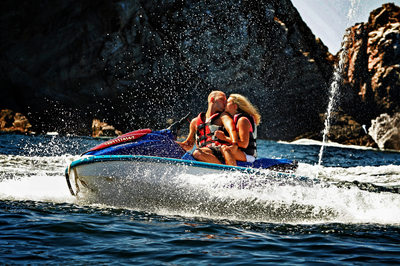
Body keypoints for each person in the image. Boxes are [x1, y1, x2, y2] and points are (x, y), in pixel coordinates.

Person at [177, 90, 238, 164]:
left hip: (220, 151)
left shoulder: (223, 117)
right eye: (222, 99)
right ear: (212, 99)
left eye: (226, 101)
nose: (225, 103)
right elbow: (188, 145)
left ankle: (223, 170)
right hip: (205, 153)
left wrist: (234, 144)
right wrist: (173, 143)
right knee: (195, 153)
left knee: (197, 153)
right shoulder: (195, 122)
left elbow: (232, 129)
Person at [214, 94, 261, 166]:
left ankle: (232, 172)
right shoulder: (235, 119)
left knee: (225, 149)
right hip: (239, 152)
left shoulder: (242, 120)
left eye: (228, 102)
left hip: (248, 155)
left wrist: (224, 138)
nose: (225, 103)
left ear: (235, 106)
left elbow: (244, 144)